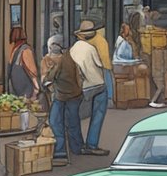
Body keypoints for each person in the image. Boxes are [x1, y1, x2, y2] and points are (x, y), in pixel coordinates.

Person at [43, 33, 84, 167]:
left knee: (55, 122)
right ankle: (77, 148)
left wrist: (47, 80)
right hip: (75, 94)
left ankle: (60, 151)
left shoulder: (58, 60)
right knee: (73, 121)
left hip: (62, 96)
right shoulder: (69, 57)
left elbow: (49, 78)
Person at [70, 21, 110, 156]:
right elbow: (100, 65)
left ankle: (77, 144)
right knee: (98, 114)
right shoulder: (91, 49)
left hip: (81, 87)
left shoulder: (73, 49)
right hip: (97, 85)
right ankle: (92, 144)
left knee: (75, 114)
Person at [83, 19, 114, 108]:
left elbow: (103, 56)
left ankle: (107, 99)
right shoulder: (99, 39)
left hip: (99, 65)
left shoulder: (98, 40)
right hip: (100, 65)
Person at [6, 26, 40, 100]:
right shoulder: (25, 50)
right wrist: (37, 87)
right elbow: (32, 71)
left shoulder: (13, 50)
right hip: (26, 88)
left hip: (15, 88)